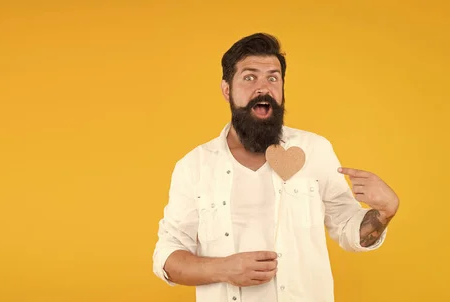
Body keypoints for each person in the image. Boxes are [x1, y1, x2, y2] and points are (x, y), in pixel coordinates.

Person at [151, 33, 399, 302]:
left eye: (273, 77)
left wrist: (385, 212)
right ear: (226, 89)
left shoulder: (315, 150)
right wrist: (223, 269)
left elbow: (349, 231)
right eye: (249, 77)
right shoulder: (194, 166)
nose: (263, 88)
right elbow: (168, 256)